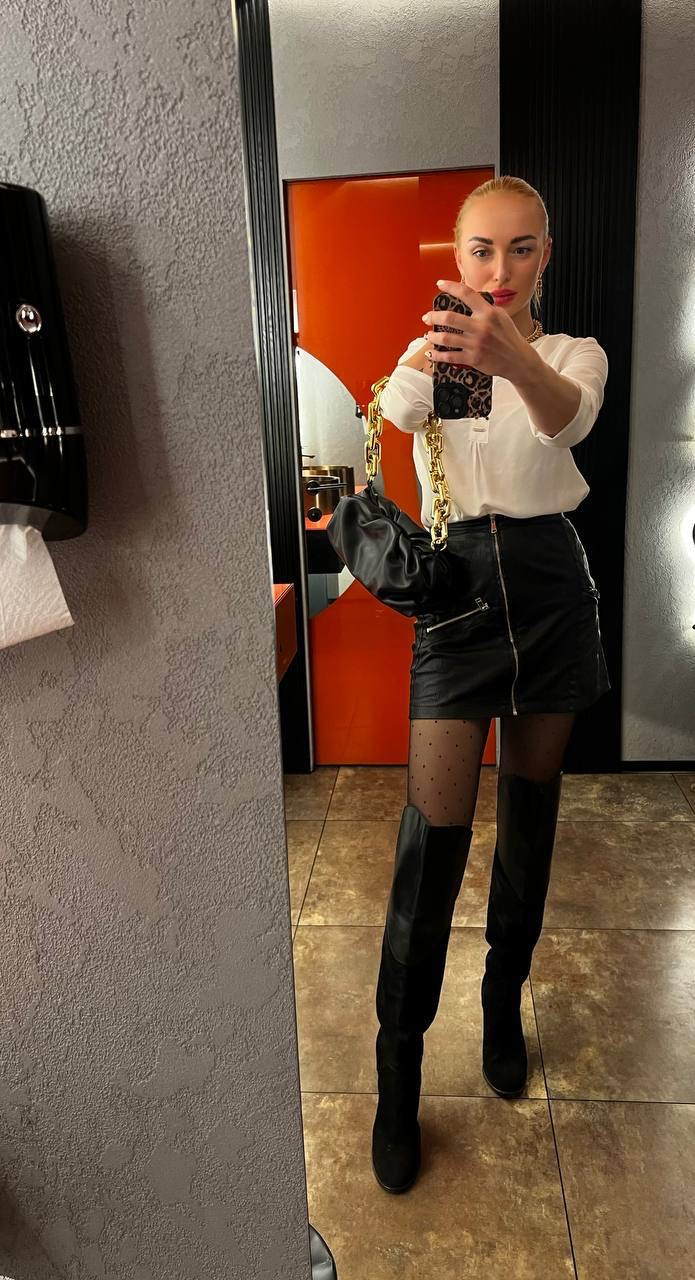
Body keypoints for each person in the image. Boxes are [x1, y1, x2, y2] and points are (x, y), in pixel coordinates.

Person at [371, 175, 610, 1195]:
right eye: (480, 249)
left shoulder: (570, 354)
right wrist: (436, 353)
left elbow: (564, 424)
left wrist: (511, 355)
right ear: (457, 255)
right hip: (459, 592)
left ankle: (502, 1000)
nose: (498, 269)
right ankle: (396, 1069)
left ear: (545, 253)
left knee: (528, 817)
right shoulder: (448, 353)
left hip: (551, 587)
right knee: (431, 841)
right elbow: (394, 413)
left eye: (518, 248)